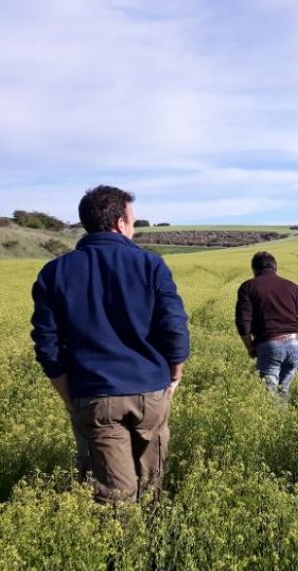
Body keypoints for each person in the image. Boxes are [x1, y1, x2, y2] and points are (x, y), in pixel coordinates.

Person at [31, 185, 189, 504]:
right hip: (150, 391)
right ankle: (152, 546)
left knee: (115, 496)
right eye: (132, 221)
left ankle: (121, 551)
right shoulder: (151, 265)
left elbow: (47, 345)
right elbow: (174, 327)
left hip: (94, 394)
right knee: (151, 487)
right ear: (120, 222)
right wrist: (175, 374)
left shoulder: (54, 273)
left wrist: (70, 397)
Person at [235, 251, 298, 399]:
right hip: (293, 344)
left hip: (269, 344)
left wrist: (250, 347)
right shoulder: (292, 287)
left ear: (254, 269)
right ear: (275, 268)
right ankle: (282, 420)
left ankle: (274, 421)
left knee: (270, 397)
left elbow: (242, 323)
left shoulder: (248, 287)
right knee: (283, 393)